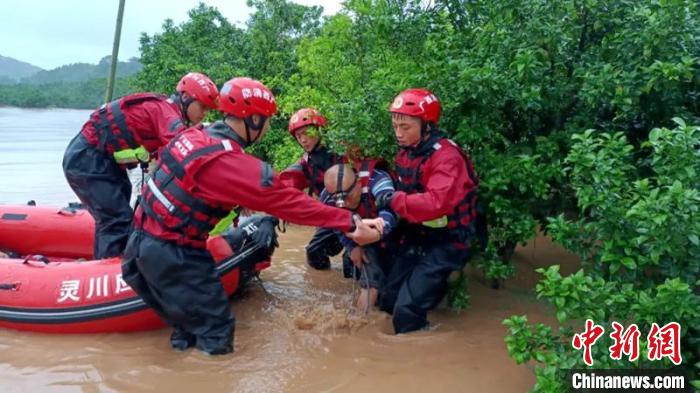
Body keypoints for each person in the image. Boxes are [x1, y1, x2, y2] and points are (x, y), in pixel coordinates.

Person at [121, 77, 379, 355]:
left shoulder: (191, 135)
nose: (268, 128)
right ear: (253, 120)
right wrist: (349, 221)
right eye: (266, 120)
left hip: (137, 250)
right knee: (217, 336)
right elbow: (292, 204)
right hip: (176, 257)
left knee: (187, 331)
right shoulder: (233, 162)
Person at [62, 72, 219, 259]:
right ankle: (107, 270)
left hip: (104, 161)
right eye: (202, 106)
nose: (204, 114)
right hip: (86, 159)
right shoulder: (166, 114)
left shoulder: (167, 112)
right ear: (185, 97)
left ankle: (116, 259)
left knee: (120, 211)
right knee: (117, 220)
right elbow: (184, 150)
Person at [375, 88, 480, 334]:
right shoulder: (408, 151)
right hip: (420, 234)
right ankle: (432, 291)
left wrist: (393, 200)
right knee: (388, 301)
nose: (398, 133)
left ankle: (417, 356)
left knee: (405, 312)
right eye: (395, 126)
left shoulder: (446, 157)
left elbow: (435, 203)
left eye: (406, 127)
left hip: (450, 241)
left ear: (427, 125)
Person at [322, 162, 397, 312]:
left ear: (357, 182)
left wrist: (377, 233)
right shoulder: (328, 196)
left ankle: (362, 320)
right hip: (358, 234)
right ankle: (361, 321)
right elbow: (337, 225)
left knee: (390, 295)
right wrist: (352, 247)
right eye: (338, 201)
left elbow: (391, 208)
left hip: (391, 232)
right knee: (360, 270)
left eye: (348, 196)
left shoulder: (377, 180)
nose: (345, 204)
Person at [279, 108, 347, 271]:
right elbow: (288, 183)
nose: (303, 139)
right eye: (298, 136)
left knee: (351, 260)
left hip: (357, 211)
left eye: (306, 133)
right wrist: (277, 213)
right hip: (331, 215)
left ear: (319, 129)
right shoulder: (305, 163)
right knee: (314, 252)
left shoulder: (344, 152)